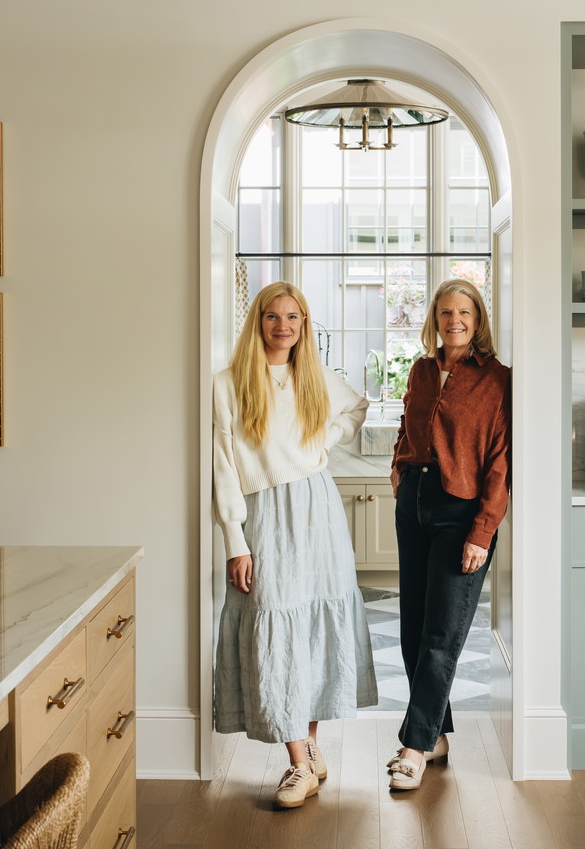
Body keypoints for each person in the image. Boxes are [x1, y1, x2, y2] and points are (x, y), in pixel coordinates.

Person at [212, 281, 378, 809]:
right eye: (272, 316)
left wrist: (319, 442)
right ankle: (297, 762)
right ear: (257, 321)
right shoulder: (227, 384)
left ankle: (305, 754)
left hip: (318, 510)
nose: (282, 326)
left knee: (309, 625)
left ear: (303, 325)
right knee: (276, 621)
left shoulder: (313, 378)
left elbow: (356, 409)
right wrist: (236, 542)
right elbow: (221, 468)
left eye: (293, 317)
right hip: (264, 513)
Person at [387, 278, 510, 790]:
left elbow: (502, 461)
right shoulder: (420, 370)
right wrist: (397, 464)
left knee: (442, 633)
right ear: (434, 319)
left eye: (463, 312)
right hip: (412, 503)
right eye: (444, 312)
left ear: (477, 321)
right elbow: (407, 425)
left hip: (461, 511)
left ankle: (414, 748)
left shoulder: (498, 380)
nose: (453, 320)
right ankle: (434, 734)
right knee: (412, 629)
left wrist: (483, 531)